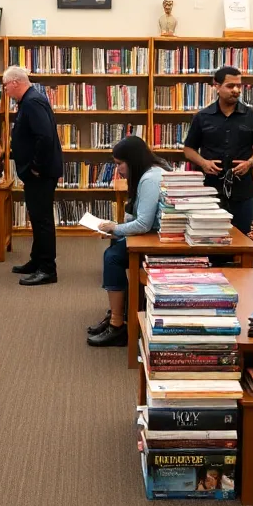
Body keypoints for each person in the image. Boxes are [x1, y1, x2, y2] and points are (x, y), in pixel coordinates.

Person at [87, 136, 167, 348]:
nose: (118, 170)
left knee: (112, 257)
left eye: (119, 164)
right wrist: (117, 228)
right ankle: (119, 313)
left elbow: (143, 224)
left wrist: (115, 228)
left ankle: (118, 325)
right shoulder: (149, 172)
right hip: (156, 233)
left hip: (160, 239)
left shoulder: (150, 179)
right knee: (115, 245)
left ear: (132, 160)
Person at [182, 65, 253, 236]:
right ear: (216, 86)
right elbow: (189, 149)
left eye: (239, 86)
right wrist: (203, 163)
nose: (236, 90)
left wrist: (250, 163)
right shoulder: (202, 117)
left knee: (243, 238)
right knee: (209, 238)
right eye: (230, 86)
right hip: (210, 190)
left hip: (242, 189)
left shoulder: (251, 116)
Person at [4, 66, 63, 286]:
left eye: (6, 85)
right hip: (37, 172)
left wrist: (36, 167)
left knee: (42, 220)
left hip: (41, 173)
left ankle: (47, 269)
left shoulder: (31, 101)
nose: (5, 90)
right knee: (37, 219)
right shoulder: (30, 99)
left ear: (15, 83)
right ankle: (36, 260)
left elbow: (45, 137)